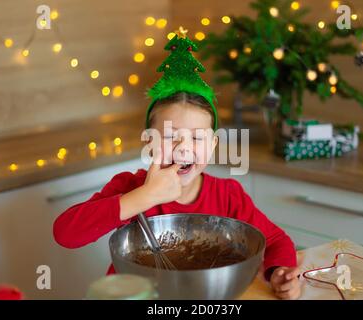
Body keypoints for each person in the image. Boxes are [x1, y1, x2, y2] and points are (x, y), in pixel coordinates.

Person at [54, 28, 301, 299]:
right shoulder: (131, 187)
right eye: (171, 136)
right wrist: (144, 196)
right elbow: (66, 233)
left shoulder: (228, 196)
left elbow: (276, 241)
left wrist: (279, 271)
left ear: (213, 146)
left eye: (197, 138)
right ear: (149, 142)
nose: (183, 148)